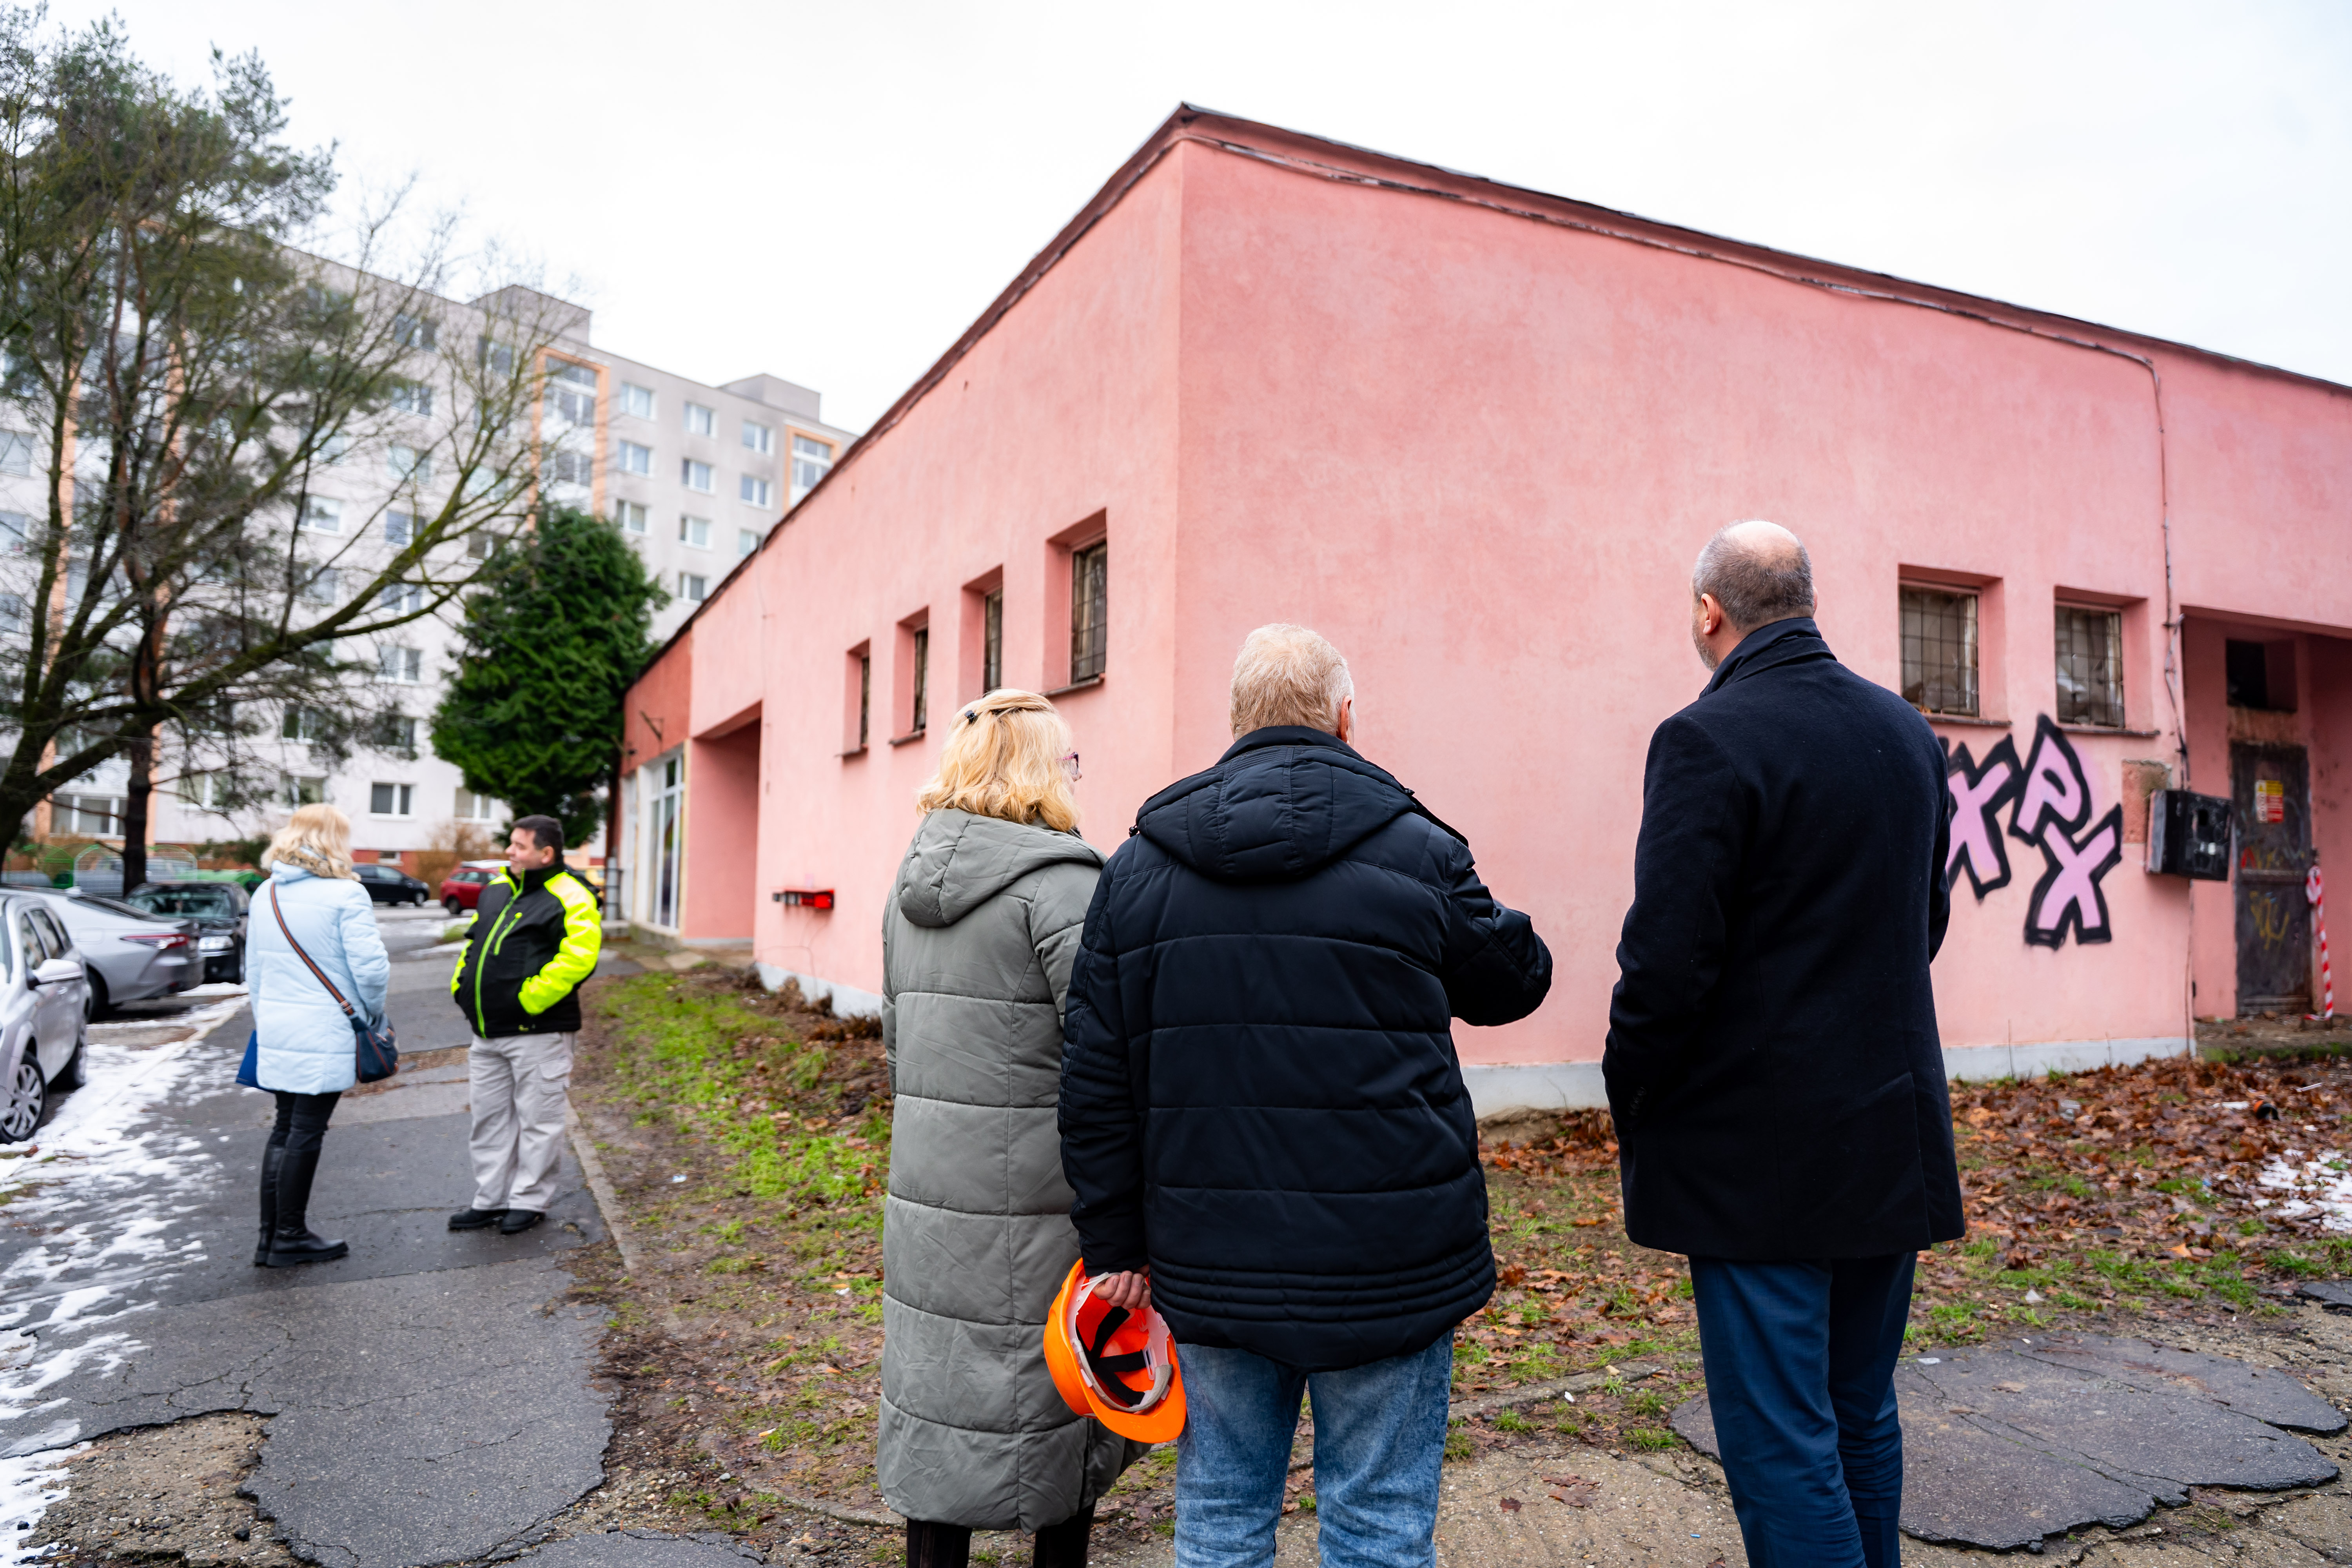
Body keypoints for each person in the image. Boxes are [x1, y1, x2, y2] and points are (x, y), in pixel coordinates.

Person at [1060, 625, 1552, 1568]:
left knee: (1219, 1521)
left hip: (1209, 1261)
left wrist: (1115, 1242)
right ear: (1343, 717)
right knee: (1377, 1529)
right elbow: (1515, 982)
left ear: (1236, 721)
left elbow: (1093, 1077)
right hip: (1389, 1262)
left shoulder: (1137, 870)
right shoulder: (1418, 849)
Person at [1604, 521, 1963, 1568]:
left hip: (1758, 1164)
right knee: (1859, 1411)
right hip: (1886, 1137)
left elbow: (1666, 966)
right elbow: (1922, 924)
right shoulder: (1904, 733)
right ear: (1804, 602)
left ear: (1710, 612)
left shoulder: (1705, 739)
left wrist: (1636, 1100)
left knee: (1781, 1440)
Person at [877, 688, 1133, 1568]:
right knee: (1058, 1394)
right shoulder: (1065, 886)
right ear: (1038, 769)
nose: (1076, 774)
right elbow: (1107, 1065)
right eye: (1069, 758)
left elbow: (899, 1048)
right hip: (1042, 1203)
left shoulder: (909, 884)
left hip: (931, 1196)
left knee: (941, 1394)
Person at [248, 804, 390, 1269]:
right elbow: (371, 970)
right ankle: (289, 1235)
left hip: (277, 1024)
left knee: (285, 1128)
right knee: (306, 1131)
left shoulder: (265, 893)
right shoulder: (346, 895)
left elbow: (254, 971)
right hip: (325, 1028)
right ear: (333, 838)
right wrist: (372, 1018)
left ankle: (271, 1238)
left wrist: (265, 1016)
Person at [448, 814, 602, 1236]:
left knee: (539, 1119)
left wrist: (526, 1000)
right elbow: (475, 941)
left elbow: (579, 957)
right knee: (490, 1119)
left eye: (518, 846)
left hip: (540, 1031)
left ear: (545, 853)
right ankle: (491, 1199)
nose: (510, 852)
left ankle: (528, 1200)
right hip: (487, 1032)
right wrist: (461, 986)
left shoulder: (572, 893)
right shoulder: (498, 889)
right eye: (511, 844)